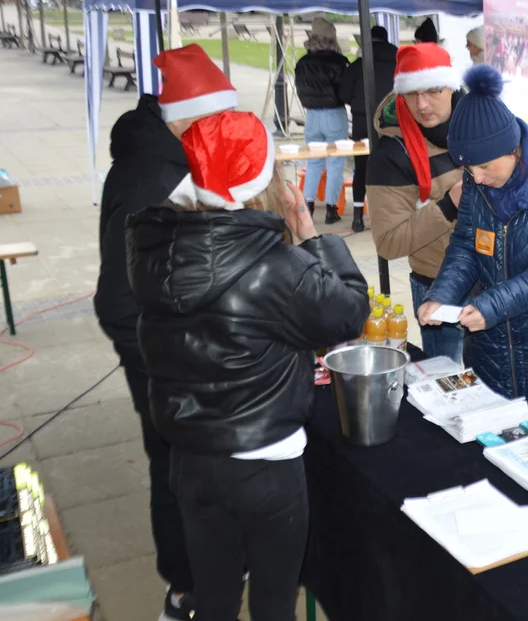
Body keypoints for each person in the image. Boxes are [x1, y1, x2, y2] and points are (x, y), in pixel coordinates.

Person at [127, 106, 369, 621]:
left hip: (191, 459)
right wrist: (312, 235)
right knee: (273, 603)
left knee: (213, 598)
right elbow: (349, 313)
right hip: (266, 464)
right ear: (263, 180)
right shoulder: (278, 266)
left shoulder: (157, 251)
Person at [418, 66, 528, 442]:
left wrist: (491, 305)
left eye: (485, 166)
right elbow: (466, 244)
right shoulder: (476, 178)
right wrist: (442, 295)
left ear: (514, 147)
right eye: (469, 169)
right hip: (493, 357)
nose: (477, 177)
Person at [93, 47, 210, 621]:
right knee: (175, 466)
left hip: (162, 342)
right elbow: (118, 297)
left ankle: (200, 567)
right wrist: (166, 351)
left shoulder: (161, 154)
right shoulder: (155, 176)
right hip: (155, 353)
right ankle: (185, 590)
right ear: (188, 116)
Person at [368, 43, 465, 362]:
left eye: (433, 91)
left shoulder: (481, 124)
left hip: (498, 281)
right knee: (450, 389)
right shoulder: (391, 154)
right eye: (412, 94)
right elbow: (388, 242)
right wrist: (450, 205)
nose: (422, 104)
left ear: (451, 86)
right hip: (438, 287)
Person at [339, 25, 398, 232]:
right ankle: (388, 216)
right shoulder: (398, 64)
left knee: (361, 167)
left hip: (362, 121)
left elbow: (344, 94)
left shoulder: (358, 65)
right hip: (390, 121)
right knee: (391, 166)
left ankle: (357, 217)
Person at [296, 17, 350, 224]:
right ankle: (330, 209)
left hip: (312, 115)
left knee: (314, 162)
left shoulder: (303, 62)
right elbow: (344, 91)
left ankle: (308, 206)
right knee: (336, 163)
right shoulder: (338, 62)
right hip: (334, 113)